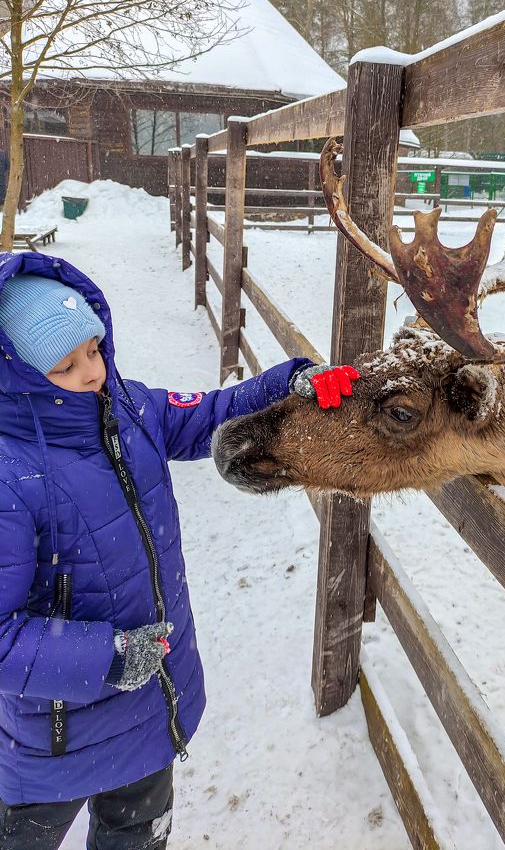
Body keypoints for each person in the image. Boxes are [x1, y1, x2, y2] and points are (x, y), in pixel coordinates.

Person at [0, 250, 359, 849]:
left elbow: (213, 413)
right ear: (20, 376)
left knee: (137, 837)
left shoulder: (130, 410)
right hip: (53, 737)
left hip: (148, 709)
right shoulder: (11, 478)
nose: (92, 373)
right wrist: (105, 658)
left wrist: (288, 386)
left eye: (93, 350)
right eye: (65, 366)